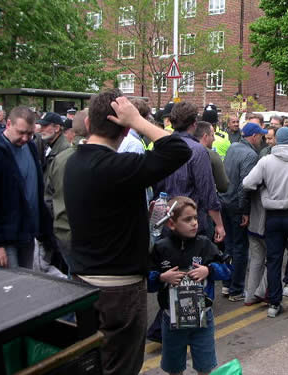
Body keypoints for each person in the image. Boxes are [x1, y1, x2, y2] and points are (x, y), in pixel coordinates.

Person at [63, 90, 192, 375]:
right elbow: (179, 150)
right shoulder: (118, 167)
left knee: (93, 364)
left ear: (87, 125)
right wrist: (139, 121)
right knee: (121, 366)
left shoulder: (74, 163)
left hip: (83, 282)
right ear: (125, 128)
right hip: (119, 289)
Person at [149, 196, 230, 375]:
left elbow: (226, 270)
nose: (194, 223)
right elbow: (148, 282)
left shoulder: (205, 244)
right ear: (171, 224)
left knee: (205, 366)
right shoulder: (161, 248)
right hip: (171, 319)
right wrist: (163, 277)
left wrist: (208, 270)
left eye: (195, 217)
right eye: (187, 219)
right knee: (174, 368)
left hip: (203, 319)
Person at [243, 127, 288, 318]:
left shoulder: (266, 161)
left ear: (276, 141)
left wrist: (264, 189)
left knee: (273, 260)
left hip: (273, 216)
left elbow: (247, 183)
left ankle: (274, 304)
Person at [0, 106, 55, 270]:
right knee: (9, 289)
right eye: (21, 132)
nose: (25, 138)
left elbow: (36, 190)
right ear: (8, 124)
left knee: (25, 287)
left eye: (30, 134)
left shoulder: (31, 147)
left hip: (27, 234)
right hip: (5, 238)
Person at [154, 101, 225, 242]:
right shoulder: (198, 151)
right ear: (194, 123)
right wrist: (219, 224)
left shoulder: (161, 146)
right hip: (191, 224)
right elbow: (207, 191)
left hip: (166, 221)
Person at [220, 122, 267, 301]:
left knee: (230, 246)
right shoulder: (251, 154)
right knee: (240, 248)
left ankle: (226, 284)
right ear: (253, 136)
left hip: (224, 201)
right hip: (236, 206)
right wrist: (245, 211)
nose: (261, 139)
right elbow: (245, 186)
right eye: (260, 136)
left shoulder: (233, 147)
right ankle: (236, 290)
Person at [45, 109, 89, 273]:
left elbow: (48, 197)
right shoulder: (93, 158)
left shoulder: (59, 158)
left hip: (63, 234)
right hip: (84, 237)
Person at [194, 121, 229, 193]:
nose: (214, 139)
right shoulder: (212, 155)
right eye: (212, 135)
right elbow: (223, 186)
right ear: (205, 137)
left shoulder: (185, 149)